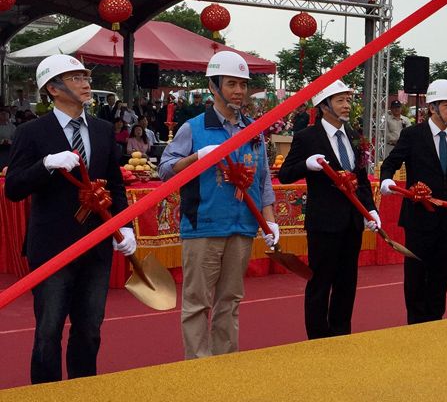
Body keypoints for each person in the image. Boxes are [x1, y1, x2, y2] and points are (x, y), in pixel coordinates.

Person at [4, 54, 135, 384]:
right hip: (52, 247)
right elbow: (14, 188)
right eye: (75, 78)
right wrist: (45, 164)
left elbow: (115, 185)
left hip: (97, 247)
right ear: (53, 88)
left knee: (90, 330)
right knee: (48, 333)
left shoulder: (104, 130)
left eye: (85, 76)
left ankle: (83, 390)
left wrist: (124, 224)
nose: (85, 83)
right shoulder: (32, 132)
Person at [159, 51, 279, 359]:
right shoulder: (193, 128)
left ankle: (225, 366)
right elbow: (165, 169)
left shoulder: (255, 131)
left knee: (230, 301)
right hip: (204, 227)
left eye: (243, 84)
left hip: (243, 227)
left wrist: (270, 221)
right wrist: (197, 158)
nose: (239, 91)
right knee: (197, 302)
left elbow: (263, 180)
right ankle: (199, 369)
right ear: (214, 87)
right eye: (231, 84)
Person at [279, 80, 379, 339]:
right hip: (323, 224)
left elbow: (363, 179)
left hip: (352, 222)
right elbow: (285, 174)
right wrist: (307, 165)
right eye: (340, 101)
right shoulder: (307, 137)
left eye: (348, 100)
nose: (347, 106)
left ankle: (341, 333)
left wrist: (371, 210)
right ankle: (317, 337)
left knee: (347, 284)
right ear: (324, 106)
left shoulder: (356, 138)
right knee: (320, 283)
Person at [379, 79, 447, 324]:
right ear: (432, 107)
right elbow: (392, 162)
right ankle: (415, 321)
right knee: (416, 274)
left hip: (446, 220)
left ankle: (436, 319)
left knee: (440, 273)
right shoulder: (413, 134)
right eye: (446, 105)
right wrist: (386, 180)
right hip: (418, 218)